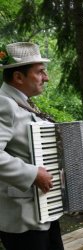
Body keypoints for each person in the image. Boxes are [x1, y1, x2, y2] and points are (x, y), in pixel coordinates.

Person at [0, 42, 64, 250]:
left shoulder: (24, 104)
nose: (46, 77)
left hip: (42, 211)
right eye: (40, 72)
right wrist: (32, 174)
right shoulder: (5, 104)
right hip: (22, 218)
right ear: (18, 77)